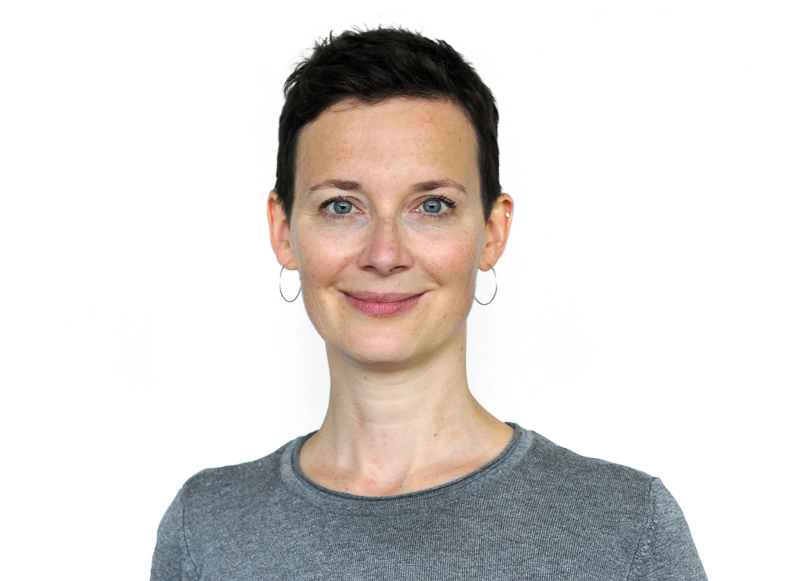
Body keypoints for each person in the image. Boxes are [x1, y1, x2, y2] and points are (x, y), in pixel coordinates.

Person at [150, 25, 707, 580]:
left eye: (432, 206)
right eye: (342, 206)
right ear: (282, 229)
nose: (384, 254)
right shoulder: (206, 529)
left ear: (492, 232)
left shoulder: (626, 530)